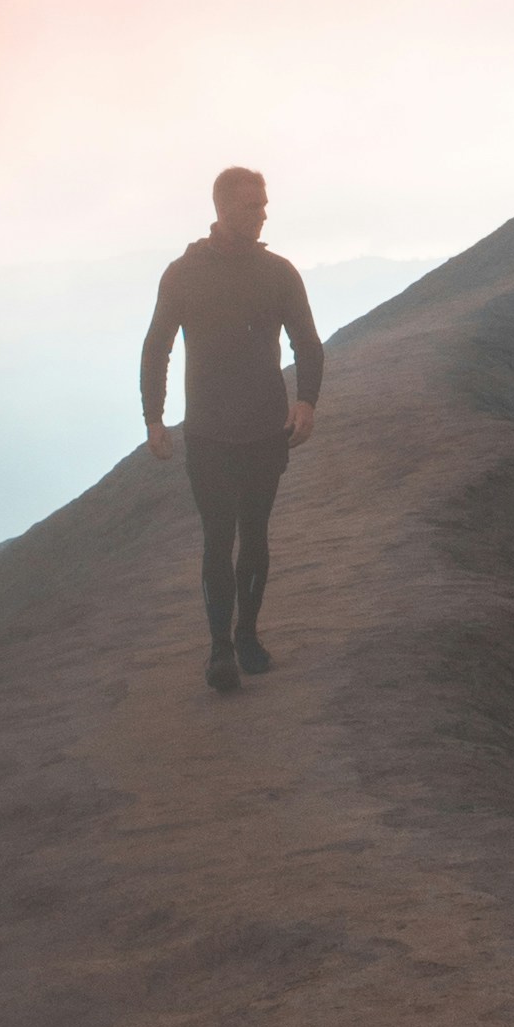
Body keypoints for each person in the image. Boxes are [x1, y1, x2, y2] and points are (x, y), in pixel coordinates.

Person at [141, 166, 323, 694]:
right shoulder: (184, 273)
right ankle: (220, 649)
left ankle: (247, 635)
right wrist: (154, 416)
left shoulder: (278, 272)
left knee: (256, 535)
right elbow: (157, 346)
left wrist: (307, 401)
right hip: (209, 432)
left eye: (264, 205)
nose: (263, 213)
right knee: (218, 538)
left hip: (266, 427)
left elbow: (307, 343)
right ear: (222, 208)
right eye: (252, 206)